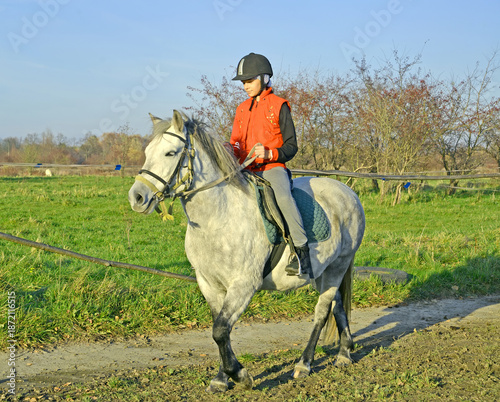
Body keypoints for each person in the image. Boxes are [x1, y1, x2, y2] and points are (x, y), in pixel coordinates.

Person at [229, 52, 311, 277]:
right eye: (243, 82)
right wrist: (229, 150)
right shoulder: (241, 109)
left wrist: (269, 153)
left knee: (283, 197)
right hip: (246, 169)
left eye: (249, 81)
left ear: (264, 78)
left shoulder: (279, 105)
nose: (245, 86)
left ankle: (301, 252)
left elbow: (291, 146)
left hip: (273, 168)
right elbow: (236, 142)